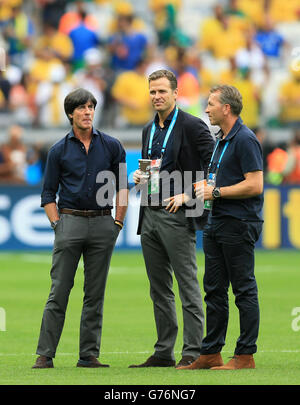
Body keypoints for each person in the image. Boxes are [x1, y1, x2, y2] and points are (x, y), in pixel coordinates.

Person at [32, 88, 128, 369]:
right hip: (69, 221)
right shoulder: (57, 151)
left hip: (103, 222)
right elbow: (48, 195)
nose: (87, 112)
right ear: (70, 114)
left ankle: (88, 355)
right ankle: (45, 354)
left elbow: (123, 187)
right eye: (81, 108)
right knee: (59, 291)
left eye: (91, 107)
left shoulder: (112, 146)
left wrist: (118, 222)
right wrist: (57, 226)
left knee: (95, 294)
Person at [129, 69, 215, 368]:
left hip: (177, 215)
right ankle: (164, 351)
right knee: (159, 288)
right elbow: (153, 167)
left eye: (162, 91)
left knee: (187, 284)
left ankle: (193, 351)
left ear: (176, 93)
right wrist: (139, 177)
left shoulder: (192, 126)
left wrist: (191, 196)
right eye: (152, 92)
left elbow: (214, 166)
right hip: (149, 212)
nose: (156, 96)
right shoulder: (148, 129)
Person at [178, 85, 264, 371]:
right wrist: (196, 192)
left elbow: (255, 184)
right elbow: (215, 182)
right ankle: (211, 352)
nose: (206, 109)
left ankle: (245, 355)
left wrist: (216, 193)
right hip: (217, 221)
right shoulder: (221, 139)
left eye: (211, 104)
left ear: (226, 108)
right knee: (214, 289)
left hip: (238, 222)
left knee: (242, 289)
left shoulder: (245, 140)